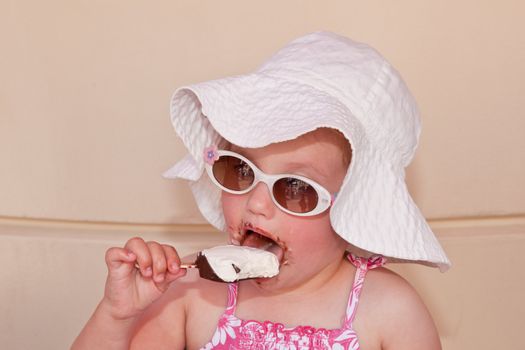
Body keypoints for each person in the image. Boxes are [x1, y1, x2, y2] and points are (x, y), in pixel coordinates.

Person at [72, 31, 450, 350]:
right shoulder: (190, 290)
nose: (256, 202)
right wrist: (117, 315)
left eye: (295, 188)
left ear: (355, 207)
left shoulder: (388, 310)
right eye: (240, 170)